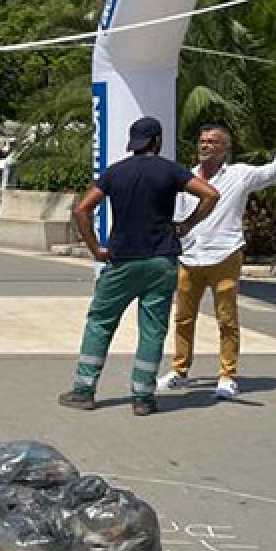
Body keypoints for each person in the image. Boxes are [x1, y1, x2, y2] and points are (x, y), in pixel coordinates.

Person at [59, 117, 221, 416]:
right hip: (161, 262)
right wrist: (186, 225)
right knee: (152, 329)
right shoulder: (170, 171)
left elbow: (82, 209)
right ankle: (143, 397)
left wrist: (96, 249)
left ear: (133, 142)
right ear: (157, 141)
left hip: (122, 262)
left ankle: (84, 391)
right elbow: (211, 194)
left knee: (100, 323)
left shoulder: (115, 173)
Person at [159, 110, 276, 400]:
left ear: (225, 148)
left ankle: (227, 376)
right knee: (183, 318)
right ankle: (179, 371)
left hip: (225, 255)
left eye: (213, 142)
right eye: (202, 141)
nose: (205, 145)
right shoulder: (185, 178)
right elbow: (177, 216)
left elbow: (275, 172)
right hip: (190, 257)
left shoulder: (239, 175)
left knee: (226, 319)